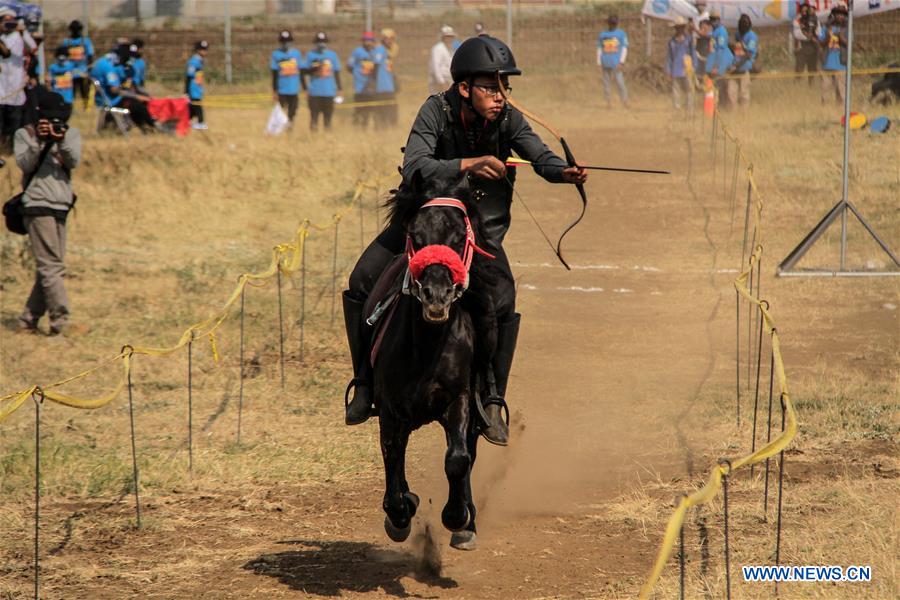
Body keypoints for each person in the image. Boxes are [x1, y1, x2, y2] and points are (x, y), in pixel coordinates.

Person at [341, 36, 588, 445]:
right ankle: (365, 384)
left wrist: (564, 172)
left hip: (478, 234)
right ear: (464, 88)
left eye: (504, 87)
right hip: (421, 225)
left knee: (504, 301)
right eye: (490, 87)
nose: (500, 96)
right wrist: (469, 164)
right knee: (362, 279)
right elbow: (415, 166)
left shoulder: (507, 119)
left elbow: (539, 154)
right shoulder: (434, 111)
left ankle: (491, 398)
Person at [14, 88, 82, 336]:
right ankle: (61, 322)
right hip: (37, 202)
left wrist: (60, 139)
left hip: (61, 204)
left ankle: (28, 319)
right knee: (52, 266)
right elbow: (24, 164)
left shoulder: (70, 133)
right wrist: (39, 143)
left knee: (51, 266)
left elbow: (73, 160)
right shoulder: (25, 134)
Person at [91, 45, 156, 132]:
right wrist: (137, 97)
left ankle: (144, 126)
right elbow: (114, 90)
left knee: (139, 99)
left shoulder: (102, 61)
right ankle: (150, 126)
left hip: (103, 97)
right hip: (109, 100)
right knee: (137, 105)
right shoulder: (109, 68)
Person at [0, 8, 37, 153]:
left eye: (11, 21)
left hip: (15, 90)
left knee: (14, 125)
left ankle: (12, 151)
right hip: (1, 89)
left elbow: (33, 48)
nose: (8, 24)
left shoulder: (19, 35)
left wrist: (23, 31)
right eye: (4, 20)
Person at [303, 32, 342, 132]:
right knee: (314, 118)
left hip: (329, 92)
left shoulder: (332, 55)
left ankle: (327, 138)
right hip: (315, 92)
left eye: (323, 42)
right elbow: (304, 71)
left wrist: (339, 89)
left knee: (328, 119)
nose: (321, 44)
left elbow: (337, 73)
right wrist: (314, 69)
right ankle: (313, 138)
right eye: (319, 42)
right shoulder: (310, 55)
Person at [347, 31, 383, 129]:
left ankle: (370, 128)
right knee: (359, 110)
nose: (368, 43)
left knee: (372, 111)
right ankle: (358, 128)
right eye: (366, 40)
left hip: (372, 88)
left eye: (370, 40)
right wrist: (357, 74)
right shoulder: (357, 52)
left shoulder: (375, 52)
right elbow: (349, 66)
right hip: (359, 88)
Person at [271, 30, 303, 127]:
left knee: (292, 112)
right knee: (281, 112)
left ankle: (290, 127)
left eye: (288, 41)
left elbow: (300, 71)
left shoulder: (296, 54)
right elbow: (274, 74)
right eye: (283, 41)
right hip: (282, 90)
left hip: (293, 89)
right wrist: (275, 90)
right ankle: (280, 128)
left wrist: (304, 87)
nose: (286, 43)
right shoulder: (276, 54)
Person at [666, 17, 697, 113]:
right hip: (676, 69)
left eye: (681, 27)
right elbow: (669, 57)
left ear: (683, 27)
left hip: (687, 69)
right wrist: (668, 70)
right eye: (677, 27)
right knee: (676, 92)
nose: (679, 29)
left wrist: (694, 66)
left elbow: (693, 53)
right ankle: (677, 110)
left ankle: (689, 110)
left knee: (689, 90)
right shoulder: (671, 42)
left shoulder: (689, 39)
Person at [60, 20, 93, 110]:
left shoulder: (85, 41)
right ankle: (71, 108)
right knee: (71, 92)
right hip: (71, 72)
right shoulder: (67, 42)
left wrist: (89, 70)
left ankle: (86, 109)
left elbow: (90, 55)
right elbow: (62, 54)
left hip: (83, 72)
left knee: (85, 91)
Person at [597, 15, 629, 108]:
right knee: (606, 83)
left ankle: (625, 101)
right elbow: (599, 48)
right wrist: (599, 62)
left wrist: (622, 62)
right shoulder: (603, 35)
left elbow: (624, 48)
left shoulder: (621, 34)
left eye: (614, 23)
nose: (612, 25)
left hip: (616, 63)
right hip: (605, 62)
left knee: (620, 82)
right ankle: (608, 102)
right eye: (611, 23)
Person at [819, 5, 848, 104]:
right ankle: (824, 110)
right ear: (834, 15)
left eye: (843, 15)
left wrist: (841, 37)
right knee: (825, 89)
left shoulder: (847, 28)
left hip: (841, 63)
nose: (841, 16)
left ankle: (840, 111)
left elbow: (850, 44)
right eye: (838, 14)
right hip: (826, 63)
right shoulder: (826, 28)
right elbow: (821, 43)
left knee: (841, 90)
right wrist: (827, 36)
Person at [728, 14, 758, 107]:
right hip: (735, 67)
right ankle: (734, 113)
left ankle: (744, 115)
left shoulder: (752, 36)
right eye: (742, 23)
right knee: (731, 91)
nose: (744, 25)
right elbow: (737, 49)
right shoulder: (738, 34)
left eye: (746, 23)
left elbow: (748, 54)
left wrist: (737, 65)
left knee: (744, 93)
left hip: (745, 66)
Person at [706, 11, 734, 108]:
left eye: (714, 19)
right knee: (717, 87)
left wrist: (716, 66)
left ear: (718, 20)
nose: (712, 21)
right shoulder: (714, 31)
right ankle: (720, 106)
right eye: (711, 19)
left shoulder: (721, 31)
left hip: (723, 62)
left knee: (723, 87)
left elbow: (720, 50)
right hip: (716, 62)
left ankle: (727, 107)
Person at [793, 1, 820, 86]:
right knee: (799, 69)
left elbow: (819, 32)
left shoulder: (815, 19)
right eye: (803, 11)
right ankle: (795, 87)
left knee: (812, 69)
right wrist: (809, 36)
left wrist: (812, 35)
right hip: (801, 47)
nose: (804, 13)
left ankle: (811, 86)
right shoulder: (797, 20)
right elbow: (797, 34)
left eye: (806, 11)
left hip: (813, 47)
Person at [377, 29, 399, 127]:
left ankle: (392, 127)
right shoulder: (379, 50)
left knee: (392, 108)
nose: (389, 40)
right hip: (381, 86)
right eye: (387, 38)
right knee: (382, 109)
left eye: (392, 38)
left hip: (390, 84)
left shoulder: (392, 50)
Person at [186, 40, 208, 130]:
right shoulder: (194, 61)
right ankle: (201, 123)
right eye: (203, 49)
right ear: (198, 50)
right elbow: (188, 76)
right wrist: (186, 91)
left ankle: (185, 121)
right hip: (193, 89)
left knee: (192, 108)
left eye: (206, 49)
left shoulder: (199, 61)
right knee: (197, 106)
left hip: (197, 89)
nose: (205, 51)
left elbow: (199, 76)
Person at [428, 25, 456, 95]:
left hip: (448, 80)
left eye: (451, 36)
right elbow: (436, 66)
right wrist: (441, 82)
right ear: (443, 37)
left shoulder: (451, 49)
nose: (449, 38)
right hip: (438, 82)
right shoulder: (438, 48)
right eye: (447, 36)